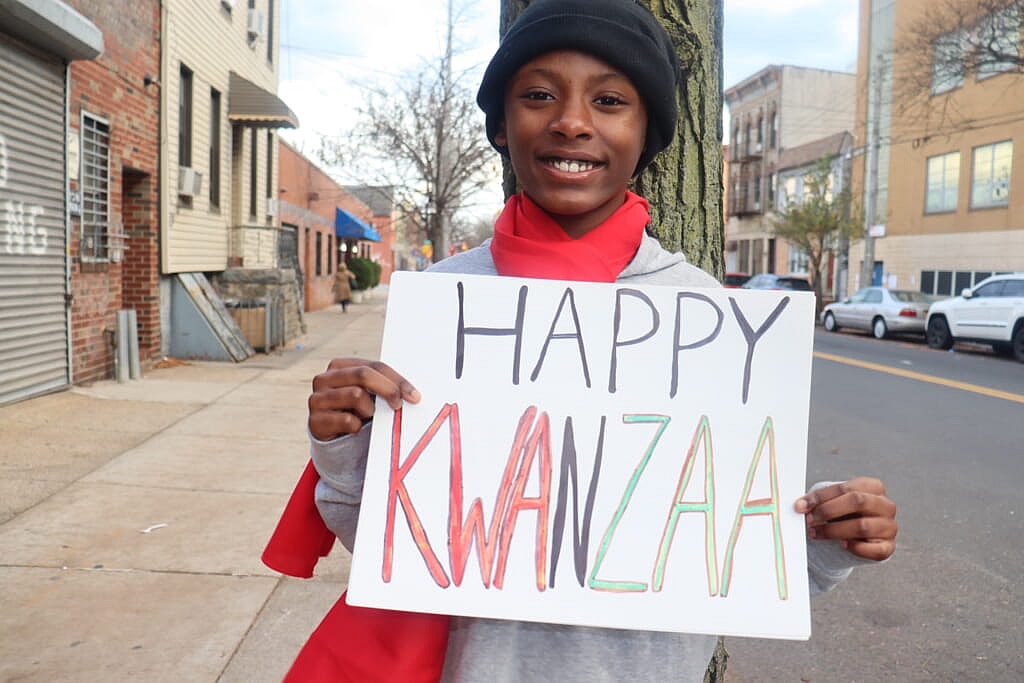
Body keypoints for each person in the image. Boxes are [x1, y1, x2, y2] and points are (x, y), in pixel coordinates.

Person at [266, 1, 898, 680]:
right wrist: (342, 444)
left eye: (610, 100)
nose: (571, 121)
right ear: (501, 125)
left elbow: (730, 551)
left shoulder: (704, 312)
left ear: (647, 134)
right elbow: (391, 542)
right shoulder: (443, 301)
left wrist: (831, 532)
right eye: (539, 95)